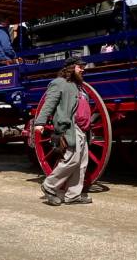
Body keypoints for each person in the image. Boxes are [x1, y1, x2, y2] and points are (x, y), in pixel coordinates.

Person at [34, 57, 92, 206]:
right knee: (71, 159)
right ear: (71, 68)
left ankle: (73, 195)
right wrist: (40, 122)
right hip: (70, 127)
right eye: (80, 67)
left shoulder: (79, 85)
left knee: (82, 162)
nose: (82, 69)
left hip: (82, 128)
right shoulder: (58, 83)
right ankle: (49, 186)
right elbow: (49, 103)